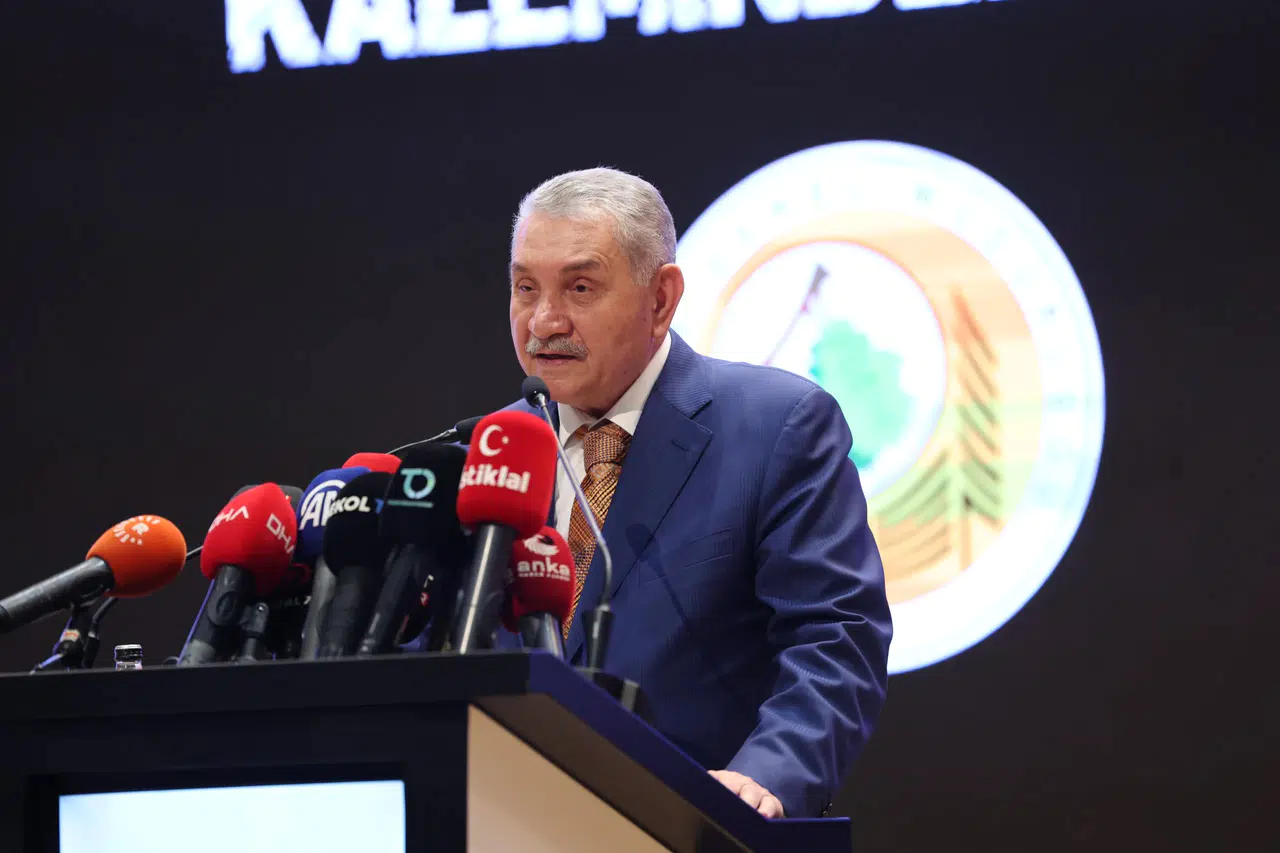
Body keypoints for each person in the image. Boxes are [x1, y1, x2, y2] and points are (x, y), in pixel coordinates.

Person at [502, 167, 892, 819]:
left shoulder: (778, 426)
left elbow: (835, 636)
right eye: (525, 288)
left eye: (579, 287)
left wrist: (767, 775)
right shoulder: (493, 454)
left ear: (661, 299)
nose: (544, 319)